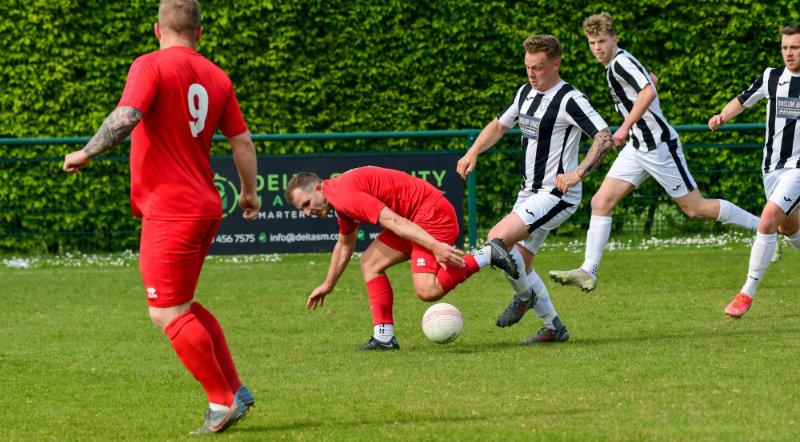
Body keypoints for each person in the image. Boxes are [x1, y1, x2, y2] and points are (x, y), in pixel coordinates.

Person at [62, 0, 258, 434]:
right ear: (200, 33)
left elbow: (127, 116)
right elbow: (242, 142)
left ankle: (221, 401)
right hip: (205, 206)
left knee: (166, 312)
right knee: (184, 304)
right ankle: (235, 389)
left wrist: (86, 152)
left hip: (171, 210)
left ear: (157, 29)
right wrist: (248, 193)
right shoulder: (217, 76)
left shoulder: (149, 64)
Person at [548, 12, 761, 292]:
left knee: (696, 209)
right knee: (600, 202)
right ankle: (588, 271)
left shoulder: (620, 62)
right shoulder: (618, 63)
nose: (597, 48)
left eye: (601, 41)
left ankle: (764, 228)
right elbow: (653, 79)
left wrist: (625, 127)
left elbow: (648, 91)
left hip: (659, 147)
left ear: (614, 39)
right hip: (637, 147)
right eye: (592, 42)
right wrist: (633, 124)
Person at [457, 34, 614, 343]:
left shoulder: (570, 99)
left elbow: (604, 137)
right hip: (529, 193)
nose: (532, 73)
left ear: (556, 64)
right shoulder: (525, 93)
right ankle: (554, 328)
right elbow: (499, 126)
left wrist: (577, 173)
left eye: (538, 67)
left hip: (557, 195)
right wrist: (472, 151)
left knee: (497, 239)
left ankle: (524, 297)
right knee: (517, 263)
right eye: (528, 66)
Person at [285, 166, 518, 351]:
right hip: (413, 219)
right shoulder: (338, 198)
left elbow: (393, 222)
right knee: (369, 264)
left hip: (432, 214)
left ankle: (488, 253)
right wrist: (328, 284)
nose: (307, 212)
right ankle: (384, 338)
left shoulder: (343, 196)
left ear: (318, 189)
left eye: (307, 204)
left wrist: (434, 246)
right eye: (302, 209)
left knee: (427, 291)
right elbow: (345, 244)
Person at [708, 23, 800, 317]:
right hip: (771, 168)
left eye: (795, 47)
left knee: (768, 219)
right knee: (788, 227)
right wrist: (722, 116)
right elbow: (743, 99)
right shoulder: (772, 77)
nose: (789, 53)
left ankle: (746, 293)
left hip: (798, 168)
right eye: (785, 47)